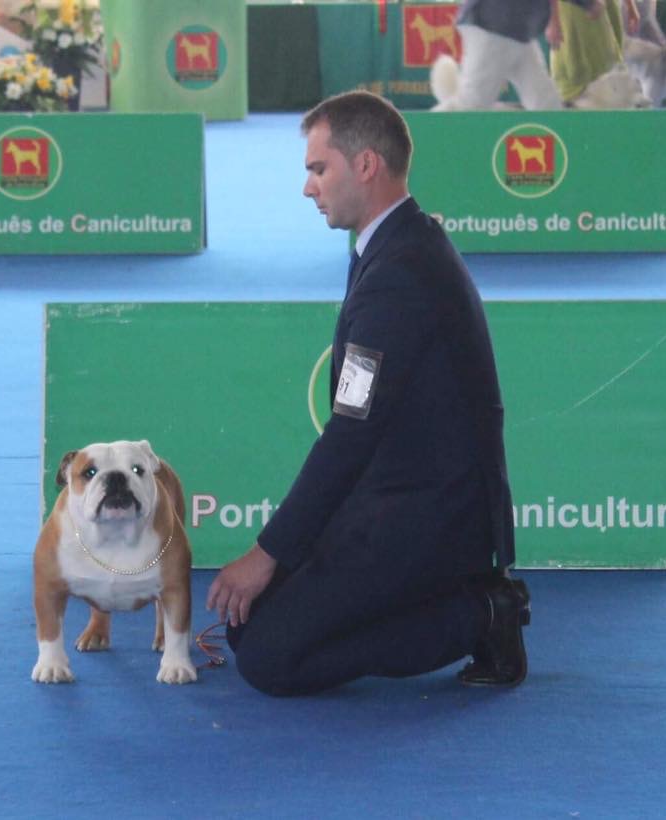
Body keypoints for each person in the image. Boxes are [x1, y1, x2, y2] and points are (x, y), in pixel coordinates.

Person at [206, 92, 530, 697]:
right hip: (394, 493)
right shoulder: (395, 241)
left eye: (317, 168)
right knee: (248, 630)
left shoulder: (401, 270)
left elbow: (351, 431)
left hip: (430, 515)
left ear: (366, 165)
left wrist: (267, 552)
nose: (308, 188)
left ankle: (483, 614)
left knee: (269, 660)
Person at [432, 0, 600, 111]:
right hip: (494, 27)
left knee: (545, 103)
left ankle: (563, 155)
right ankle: (424, 138)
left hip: (516, 30)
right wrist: (589, 4)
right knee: (472, 105)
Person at [551, 0, 641, 104]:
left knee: (611, 68)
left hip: (604, 9)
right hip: (572, 11)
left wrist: (630, 5)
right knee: (574, 77)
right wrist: (553, 20)